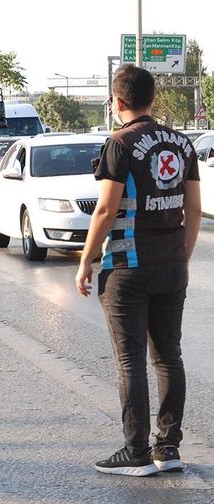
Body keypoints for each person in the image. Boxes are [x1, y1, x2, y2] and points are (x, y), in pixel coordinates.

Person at [75, 65, 202, 477]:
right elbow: (194, 210)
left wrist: (85, 261)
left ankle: (135, 452)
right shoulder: (182, 143)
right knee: (169, 357)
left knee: (130, 361)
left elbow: (107, 210)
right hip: (171, 266)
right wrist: (180, 257)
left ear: (118, 102)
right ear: (152, 98)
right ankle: (168, 448)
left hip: (128, 267)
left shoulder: (120, 143)